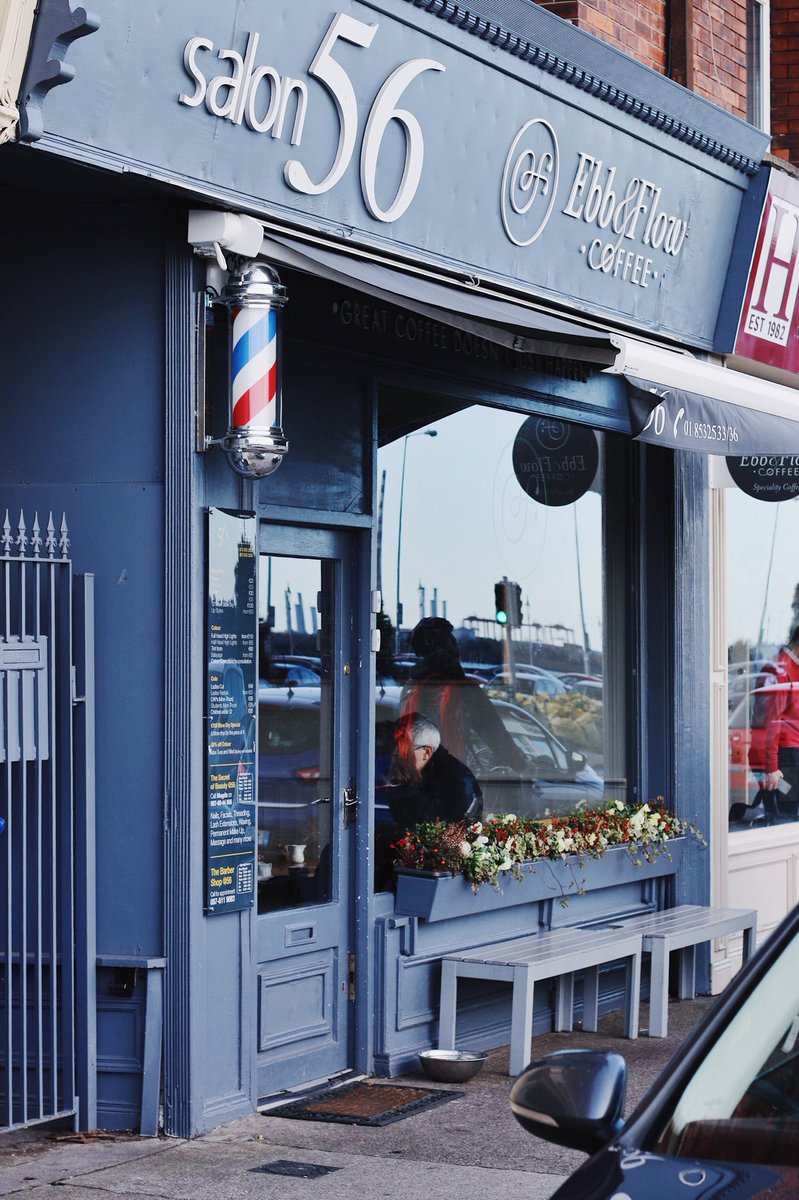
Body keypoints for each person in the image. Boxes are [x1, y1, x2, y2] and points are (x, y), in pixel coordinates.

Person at [399, 616, 528, 780]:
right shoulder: (464, 690)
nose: (456, 644)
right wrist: (521, 765)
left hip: (415, 782)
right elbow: (494, 732)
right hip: (450, 783)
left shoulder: (410, 688)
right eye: (451, 639)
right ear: (448, 647)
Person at [384, 711, 482, 828]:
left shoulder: (456, 780)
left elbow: (437, 828)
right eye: (393, 746)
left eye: (402, 747)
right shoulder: (421, 772)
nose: (395, 754)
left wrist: (400, 788)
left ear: (427, 752)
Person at [755, 626, 799, 822]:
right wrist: (772, 767)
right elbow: (770, 723)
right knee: (785, 817)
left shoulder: (791, 668)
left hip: (791, 754)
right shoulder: (779, 669)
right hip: (786, 759)